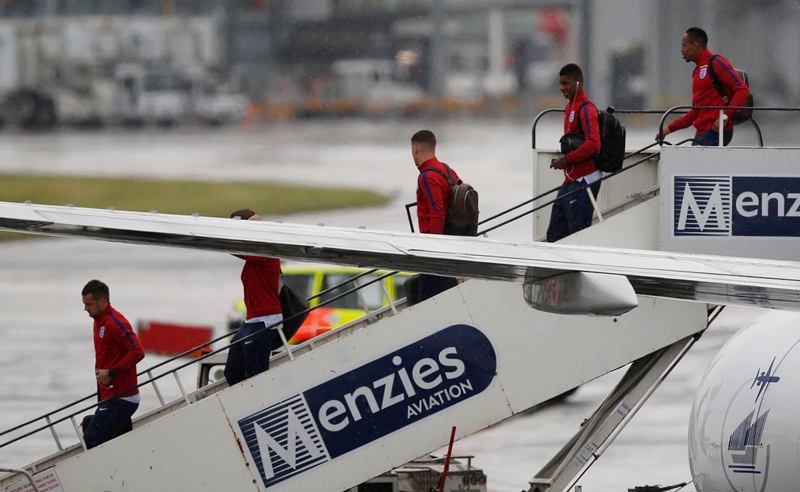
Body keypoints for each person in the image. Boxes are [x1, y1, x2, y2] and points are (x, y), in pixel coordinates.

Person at [655, 27, 750, 147]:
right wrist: (668, 130)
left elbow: (742, 90)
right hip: (702, 133)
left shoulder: (716, 62)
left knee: (697, 164)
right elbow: (696, 111)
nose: (681, 50)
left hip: (717, 131)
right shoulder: (697, 71)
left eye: (684, 46)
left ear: (694, 45)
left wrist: (725, 117)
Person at [81, 279, 145, 449]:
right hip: (109, 395)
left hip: (122, 396)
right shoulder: (98, 321)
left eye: (88, 304)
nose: (85, 308)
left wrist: (111, 372)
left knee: (92, 440)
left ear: (102, 302)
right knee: (90, 426)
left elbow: (138, 351)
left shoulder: (114, 323)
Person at [224, 208, 283, 386]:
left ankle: (261, 403)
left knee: (256, 373)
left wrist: (246, 229)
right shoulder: (253, 258)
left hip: (265, 320)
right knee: (232, 371)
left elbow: (233, 248)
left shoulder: (266, 251)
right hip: (252, 320)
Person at [546, 63, 602, 243]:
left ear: (578, 82)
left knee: (577, 234)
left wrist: (567, 159)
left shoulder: (586, 108)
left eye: (566, 83)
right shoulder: (570, 106)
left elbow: (594, 144)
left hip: (585, 178)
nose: (561, 88)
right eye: (560, 83)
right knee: (554, 234)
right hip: (570, 178)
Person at [411, 129, 459, 302]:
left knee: (425, 300)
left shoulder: (427, 176)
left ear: (415, 149)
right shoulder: (448, 171)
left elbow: (437, 212)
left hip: (435, 251)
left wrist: (435, 248)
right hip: (453, 246)